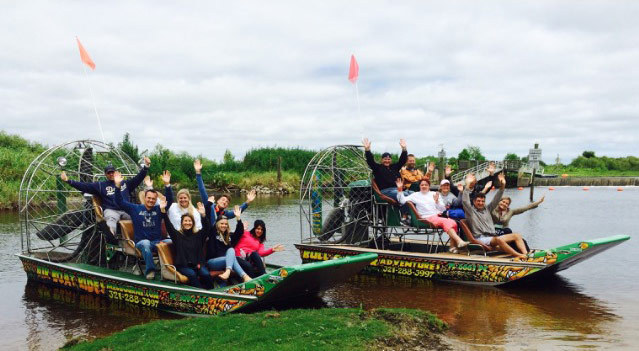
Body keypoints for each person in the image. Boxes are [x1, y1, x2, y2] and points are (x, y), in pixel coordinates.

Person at [60, 157, 151, 237]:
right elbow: (84, 186)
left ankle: (145, 237)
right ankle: (111, 237)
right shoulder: (100, 185)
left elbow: (138, 178)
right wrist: (68, 181)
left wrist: (146, 167)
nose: (111, 174)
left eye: (112, 172)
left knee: (139, 217)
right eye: (109, 173)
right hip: (111, 210)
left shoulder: (125, 183)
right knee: (110, 221)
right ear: (105, 174)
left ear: (116, 172)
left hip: (125, 209)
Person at [114, 170, 173, 280]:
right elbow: (119, 201)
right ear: (145, 198)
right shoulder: (135, 208)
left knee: (173, 241)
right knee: (146, 243)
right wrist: (117, 186)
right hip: (141, 243)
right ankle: (150, 271)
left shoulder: (159, 209)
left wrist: (167, 185)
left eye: (153, 199)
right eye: (149, 198)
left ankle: (172, 269)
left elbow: (169, 201)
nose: (151, 200)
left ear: (156, 200)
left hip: (157, 242)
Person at [461, 173, 528, 259]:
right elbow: (465, 201)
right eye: (478, 201)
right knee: (499, 239)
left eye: (482, 201)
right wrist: (467, 186)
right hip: (481, 238)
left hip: (492, 237)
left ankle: (526, 255)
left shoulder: (487, 209)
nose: (481, 203)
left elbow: (496, 199)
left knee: (517, 235)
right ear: (474, 202)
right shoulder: (470, 211)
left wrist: (502, 185)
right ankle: (519, 256)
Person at [396, 178, 469, 253]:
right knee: (447, 222)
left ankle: (452, 247)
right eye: (422, 185)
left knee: (453, 222)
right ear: (420, 186)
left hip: (437, 216)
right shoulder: (415, 195)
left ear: (429, 186)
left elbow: (442, 209)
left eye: (426, 185)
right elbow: (401, 201)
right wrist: (400, 190)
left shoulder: (434, 194)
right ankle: (459, 241)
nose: (424, 186)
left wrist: (437, 201)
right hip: (426, 218)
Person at [160, 200, 213, 289]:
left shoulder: (198, 235)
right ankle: (201, 293)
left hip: (198, 264)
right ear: (182, 223)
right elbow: (169, 226)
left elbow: (207, 228)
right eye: (185, 221)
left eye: (189, 221)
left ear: (193, 223)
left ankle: (213, 292)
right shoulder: (177, 235)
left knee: (206, 274)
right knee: (192, 274)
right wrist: (163, 211)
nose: (187, 223)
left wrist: (203, 215)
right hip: (183, 265)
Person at [194, 159, 256, 225]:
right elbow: (202, 190)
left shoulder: (226, 214)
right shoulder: (209, 206)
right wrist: (198, 173)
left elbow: (238, 211)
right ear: (217, 201)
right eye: (223, 200)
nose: (224, 202)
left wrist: (248, 201)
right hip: (205, 233)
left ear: (226, 206)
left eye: (227, 202)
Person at [205, 201, 252, 284]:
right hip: (212, 262)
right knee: (231, 254)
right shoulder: (212, 233)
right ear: (217, 224)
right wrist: (209, 205)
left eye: (226, 224)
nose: (224, 225)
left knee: (231, 251)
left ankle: (228, 272)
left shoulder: (228, 236)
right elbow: (207, 219)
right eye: (222, 223)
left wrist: (238, 218)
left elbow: (239, 232)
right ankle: (245, 276)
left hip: (227, 262)